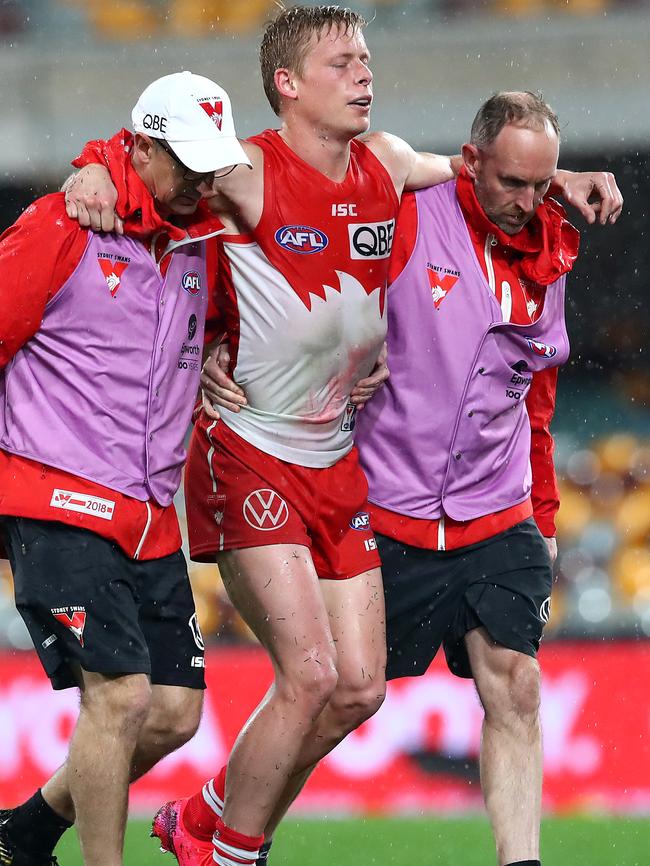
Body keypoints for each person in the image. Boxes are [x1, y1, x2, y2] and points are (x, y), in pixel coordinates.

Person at [64, 8, 622, 866]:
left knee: (359, 690)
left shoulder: (391, 164)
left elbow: (481, 179)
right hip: (258, 446)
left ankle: (192, 819)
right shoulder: (248, 169)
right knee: (318, 679)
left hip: (351, 467)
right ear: (288, 84)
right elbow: (160, 164)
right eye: (342, 62)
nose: (365, 73)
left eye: (366, 57)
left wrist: (568, 175)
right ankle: (227, 845)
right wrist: (97, 169)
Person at [0, 71, 250, 866]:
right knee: (122, 696)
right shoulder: (62, 224)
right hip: (56, 494)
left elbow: (211, 329)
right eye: (188, 164)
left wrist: (218, 351)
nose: (203, 183)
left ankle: (28, 831)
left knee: (174, 712)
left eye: (214, 166)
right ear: (139, 148)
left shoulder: (199, 243)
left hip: (148, 516)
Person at [351, 91, 594, 866]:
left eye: (541, 184)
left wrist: (545, 520)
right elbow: (327, 181)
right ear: (470, 160)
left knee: (515, 686)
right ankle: (228, 826)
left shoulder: (552, 256)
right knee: (335, 701)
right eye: (513, 183)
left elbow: (539, 402)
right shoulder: (411, 211)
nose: (527, 203)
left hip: (498, 510)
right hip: (390, 510)